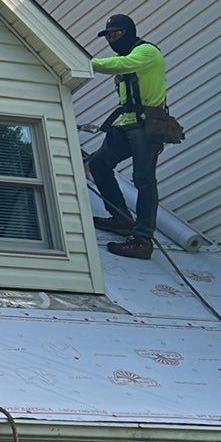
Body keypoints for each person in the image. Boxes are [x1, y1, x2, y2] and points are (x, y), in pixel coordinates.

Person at [87, 14, 167, 260]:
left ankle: (142, 238)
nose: (111, 38)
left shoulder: (146, 53)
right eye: (108, 35)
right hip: (127, 123)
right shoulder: (128, 58)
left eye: (116, 33)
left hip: (145, 125)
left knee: (143, 178)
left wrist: (83, 62)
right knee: (99, 164)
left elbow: (120, 65)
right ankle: (121, 220)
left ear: (129, 32)